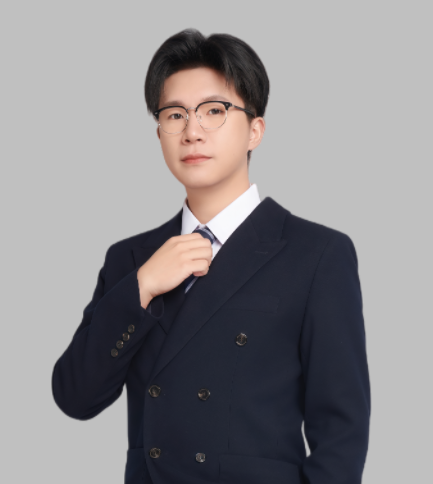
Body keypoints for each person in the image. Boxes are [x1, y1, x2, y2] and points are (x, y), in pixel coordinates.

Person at [51, 28, 371, 484]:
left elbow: (342, 433)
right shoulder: (130, 259)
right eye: (174, 114)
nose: (192, 131)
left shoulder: (317, 254)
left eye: (214, 111)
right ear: (159, 133)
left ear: (255, 130)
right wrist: (142, 286)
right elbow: (75, 397)